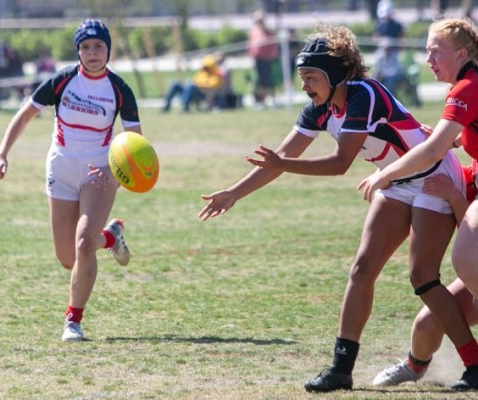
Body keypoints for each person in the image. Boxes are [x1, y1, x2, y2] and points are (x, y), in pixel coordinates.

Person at [198, 23, 478, 392]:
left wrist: (282, 164)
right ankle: (341, 369)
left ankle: (473, 364)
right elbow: (281, 158)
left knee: (422, 276)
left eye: (310, 77)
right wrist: (233, 193)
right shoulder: (319, 108)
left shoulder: (363, 94)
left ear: (333, 76)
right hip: (393, 179)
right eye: (302, 77)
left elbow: (340, 162)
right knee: (361, 269)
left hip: (432, 176)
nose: (304, 85)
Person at [0, 19, 141, 342]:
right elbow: (25, 114)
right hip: (61, 167)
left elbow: (135, 141)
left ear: (108, 50)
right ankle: (111, 238)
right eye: (85, 47)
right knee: (68, 258)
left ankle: (73, 321)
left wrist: (115, 171)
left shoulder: (120, 90)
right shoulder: (61, 82)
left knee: (84, 244)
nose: (92, 53)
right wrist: (2, 153)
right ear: (78, 52)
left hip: (101, 171)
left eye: (99, 46)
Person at [359, 16, 478, 390]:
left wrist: (386, 174)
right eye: (426, 50)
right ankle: (415, 365)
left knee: (465, 258)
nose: (428, 58)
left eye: (435, 51)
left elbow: (432, 150)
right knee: (427, 323)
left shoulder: (468, 86)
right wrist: (449, 138)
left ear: (461, 54)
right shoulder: (466, 86)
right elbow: (455, 139)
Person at [373, 167, 478, 387]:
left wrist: (453, 195)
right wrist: (388, 173)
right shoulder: (468, 174)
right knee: (427, 323)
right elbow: (469, 235)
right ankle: (414, 366)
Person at [248, 10, 279, 109]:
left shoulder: (269, 31)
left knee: (269, 81)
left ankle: (274, 101)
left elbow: (274, 44)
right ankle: (262, 102)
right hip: (258, 59)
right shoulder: (253, 31)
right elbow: (251, 46)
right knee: (259, 82)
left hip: (268, 59)